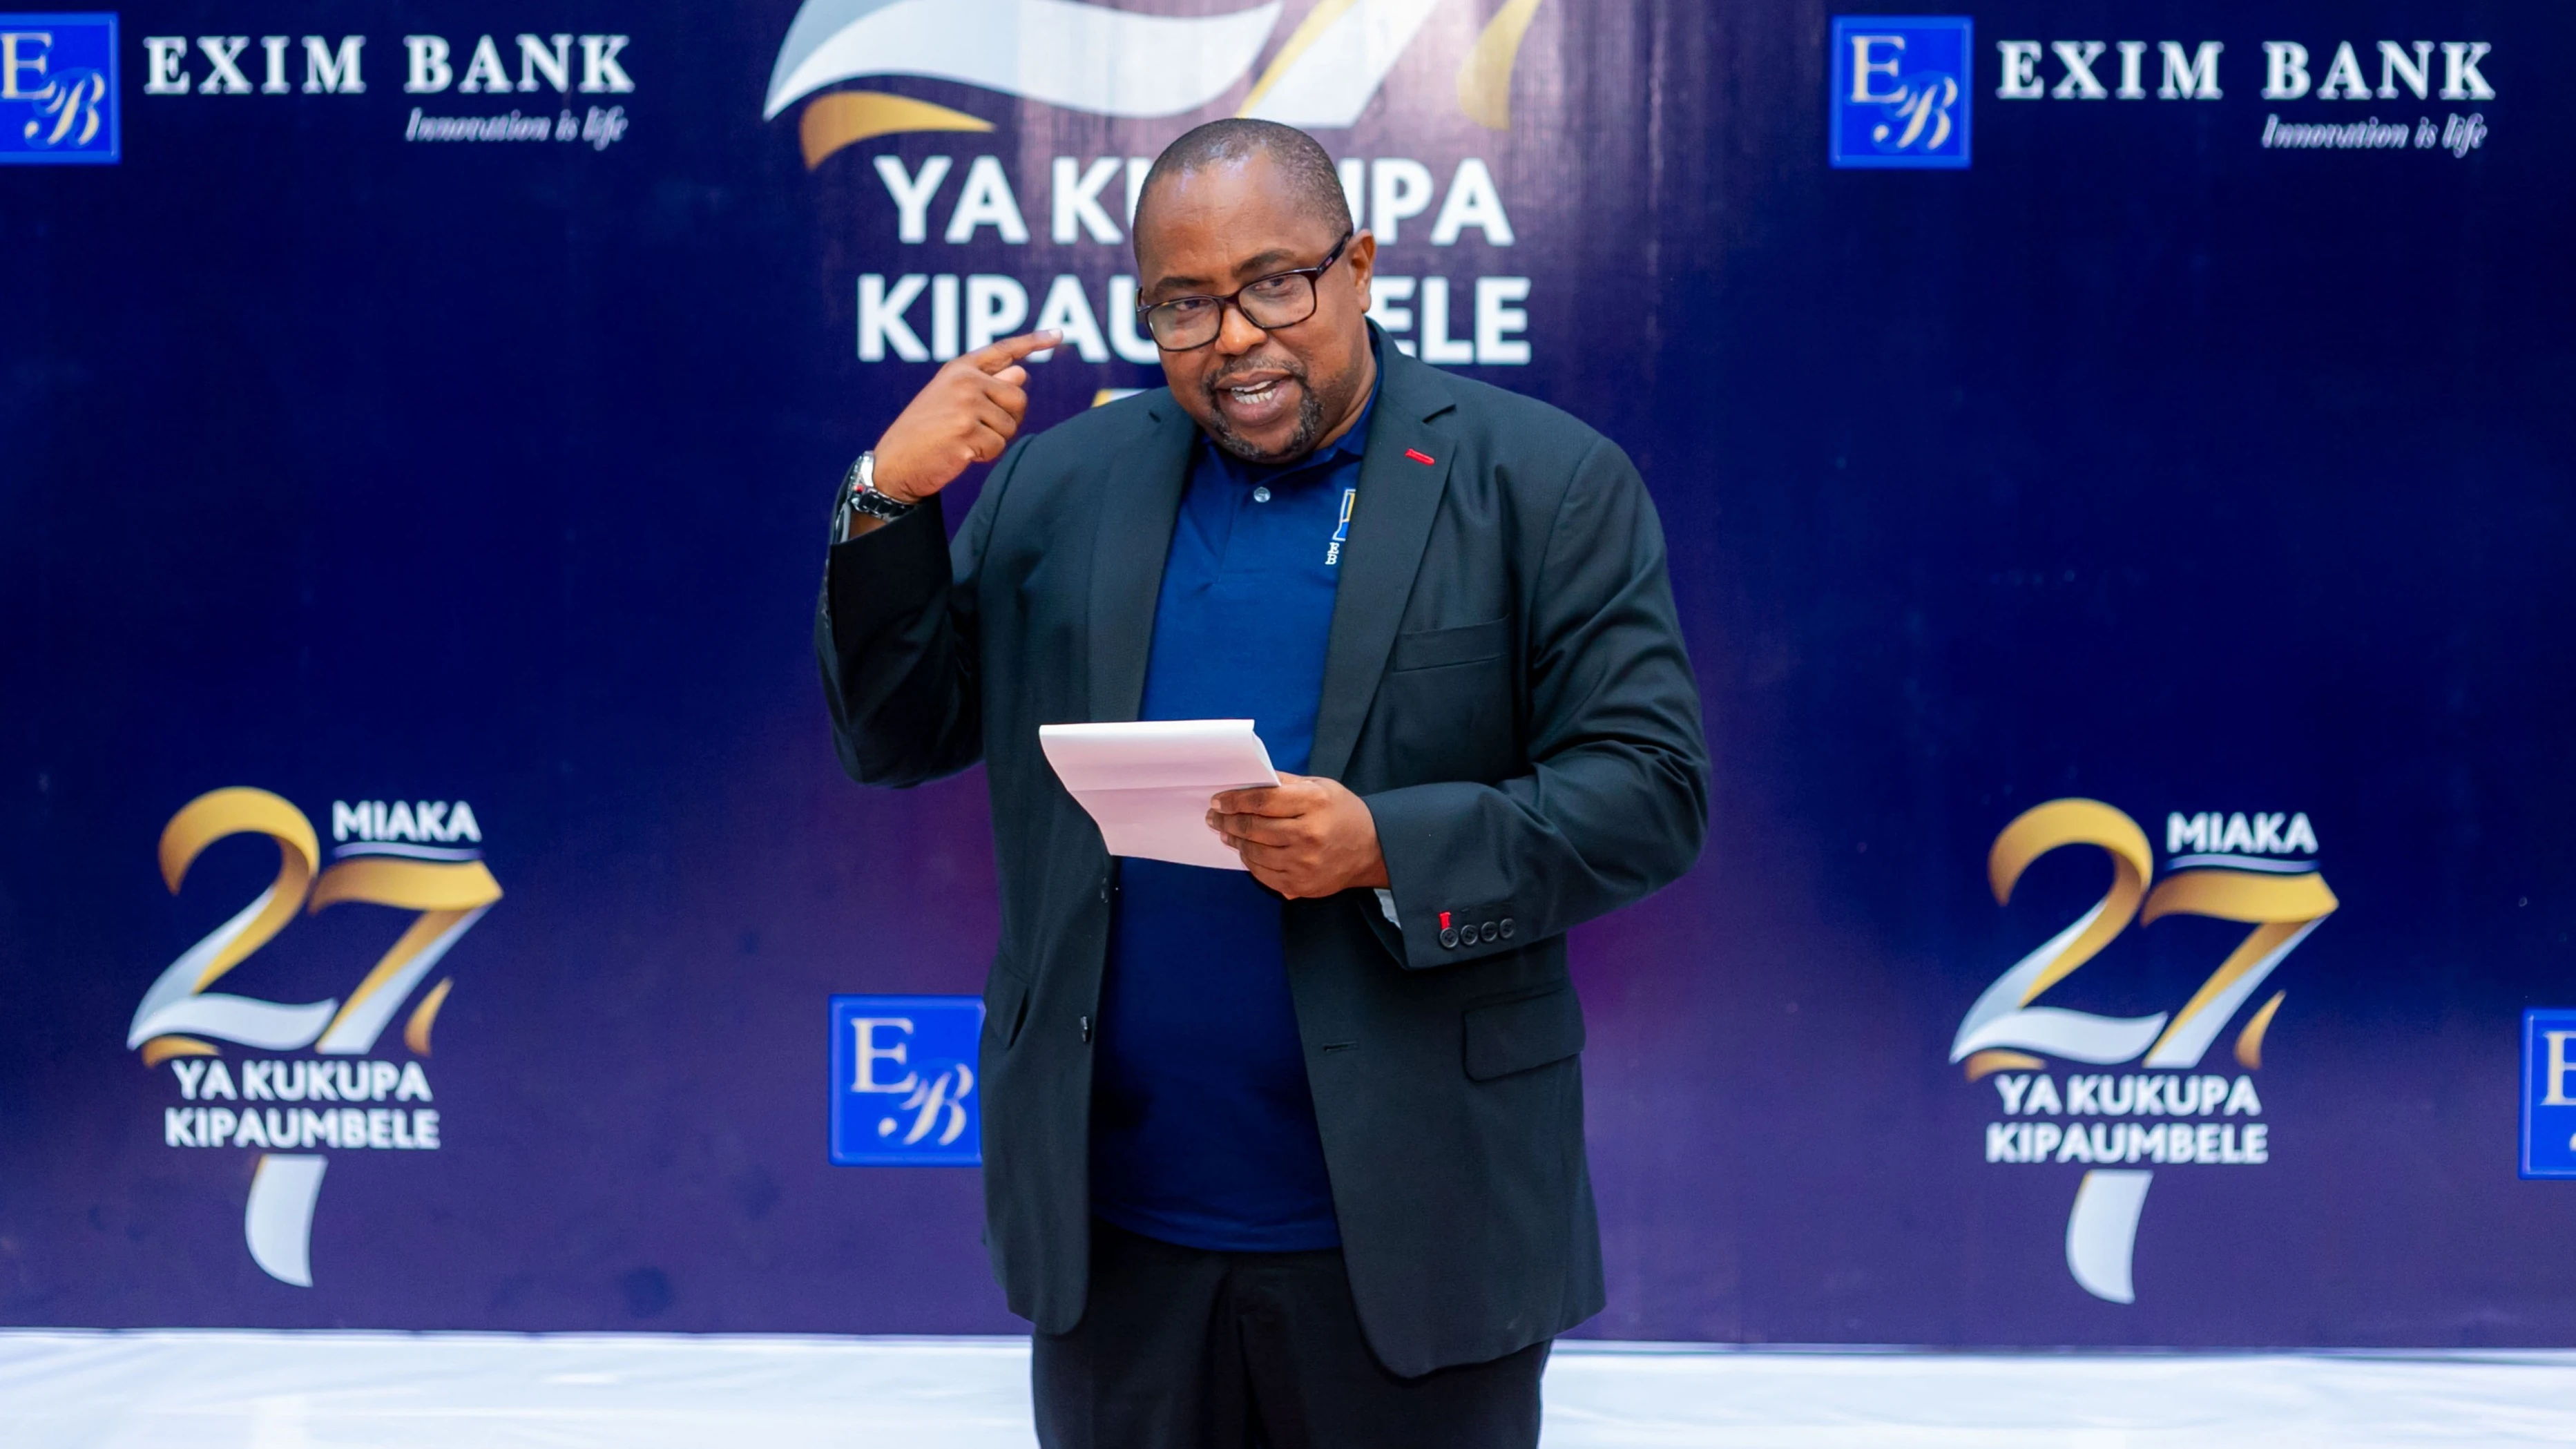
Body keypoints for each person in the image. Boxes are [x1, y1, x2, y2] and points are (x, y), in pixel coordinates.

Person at [816, 117, 1708, 1448]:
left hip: (1416, 1230)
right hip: (1117, 1236)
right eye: (1184, 304)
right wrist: (890, 497)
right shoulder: (1065, 480)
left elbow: (1648, 790)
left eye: (1273, 283)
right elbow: (896, 735)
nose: (1233, 335)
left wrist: (1385, 846)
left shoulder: (1544, 482)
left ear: (1355, 267)